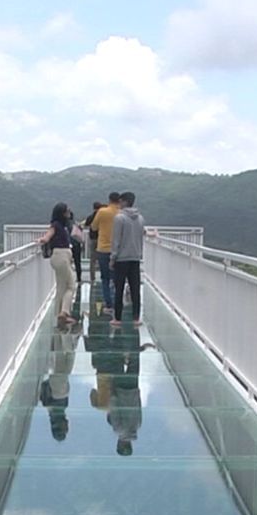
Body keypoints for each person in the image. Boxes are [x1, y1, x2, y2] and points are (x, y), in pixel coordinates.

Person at [107, 325, 145, 456]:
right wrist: (111, 393)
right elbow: (114, 407)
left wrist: (138, 392)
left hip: (133, 389)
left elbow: (139, 407)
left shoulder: (137, 426)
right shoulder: (118, 429)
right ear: (120, 444)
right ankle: (118, 330)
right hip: (119, 390)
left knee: (134, 360)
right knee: (117, 359)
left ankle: (133, 329)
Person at [37, 202, 77, 324]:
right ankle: (64, 312)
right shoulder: (56, 225)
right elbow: (48, 236)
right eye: (66, 211)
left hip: (60, 257)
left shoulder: (61, 225)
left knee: (61, 287)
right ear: (62, 213)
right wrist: (42, 239)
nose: (68, 213)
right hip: (61, 257)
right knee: (71, 285)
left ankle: (60, 314)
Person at [109, 191, 145, 326]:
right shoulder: (140, 218)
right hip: (135, 257)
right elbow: (140, 238)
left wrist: (113, 257)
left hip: (121, 259)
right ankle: (136, 318)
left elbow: (116, 240)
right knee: (135, 288)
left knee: (119, 288)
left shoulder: (119, 218)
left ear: (124, 202)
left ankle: (117, 318)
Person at [40, 323, 77, 440]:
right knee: (61, 354)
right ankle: (59, 332)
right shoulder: (50, 410)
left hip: (59, 388)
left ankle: (61, 332)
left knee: (63, 356)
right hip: (56, 384)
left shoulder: (58, 410)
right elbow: (43, 390)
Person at [90, 192, 122, 314]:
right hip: (118, 249)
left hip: (103, 248)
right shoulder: (121, 213)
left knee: (105, 278)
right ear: (119, 201)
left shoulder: (102, 212)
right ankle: (117, 302)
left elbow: (93, 227)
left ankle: (109, 305)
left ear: (109, 200)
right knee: (117, 278)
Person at [66, 208, 84, 283]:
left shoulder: (66, 224)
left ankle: (68, 279)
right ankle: (79, 278)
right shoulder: (75, 223)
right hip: (77, 244)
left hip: (69, 245)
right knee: (77, 262)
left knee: (68, 262)